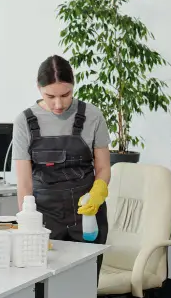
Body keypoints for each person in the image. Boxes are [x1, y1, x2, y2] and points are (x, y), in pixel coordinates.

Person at [12, 55, 111, 246]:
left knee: (87, 275)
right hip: (44, 217)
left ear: (73, 86)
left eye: (66, 95)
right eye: (50, 96)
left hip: (87, 214)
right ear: (39, 88)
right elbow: (24, 182)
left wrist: (98, 191)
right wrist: (28, 227)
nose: (59, 104)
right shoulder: (24, 121)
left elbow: (103, 168)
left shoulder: (92, 116)